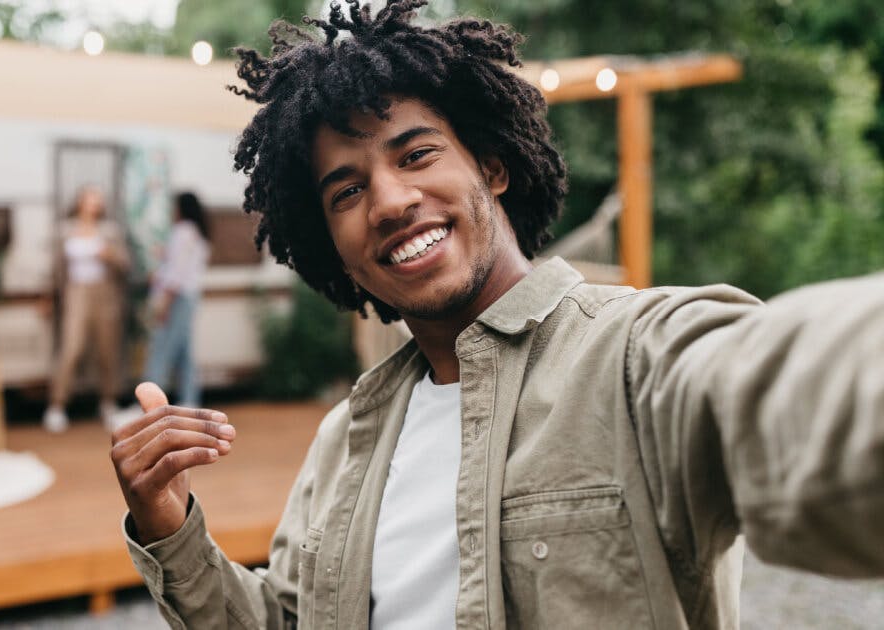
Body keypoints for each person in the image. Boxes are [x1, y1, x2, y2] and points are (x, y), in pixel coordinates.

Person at [109, 2, 884, 628]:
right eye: (346, 191)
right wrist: (168, 526)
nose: (389, 201)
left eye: (416, 155)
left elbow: (793, 385)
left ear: (492, 167)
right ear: (333, 248)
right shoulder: (346, 437)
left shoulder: (634, 356)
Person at [43, 186, 131, 433]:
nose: (94, 204)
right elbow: (56, 268)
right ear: (80, 201)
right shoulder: (65, 230)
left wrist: (110, 255)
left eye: (98, 200)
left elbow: (125, 263)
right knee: (72, 348)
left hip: (105, 294)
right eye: (90, 198)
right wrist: (49, 297)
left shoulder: (110, 231)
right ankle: (57, 405)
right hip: (75, 293)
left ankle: (108, 402)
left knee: (107, 351)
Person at [143, 192, 211, 407]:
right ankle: (189, 402)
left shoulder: (182, 232)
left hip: (176, 298)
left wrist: (165, 302)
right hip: (188, 298)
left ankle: (148, 406)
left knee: (161, 350)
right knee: (184, 354)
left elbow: (176, 273)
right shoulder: (198, 234)